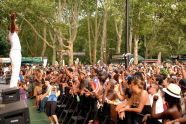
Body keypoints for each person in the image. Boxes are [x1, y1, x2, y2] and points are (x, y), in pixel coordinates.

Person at [8, 13, 22, 88]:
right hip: (15, 53)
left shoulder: (15, 35)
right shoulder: (11, 33)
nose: (17, 26)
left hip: (17, 53)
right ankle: (12, 87)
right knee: (15, 70)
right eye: (15, 25)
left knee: (17, 70)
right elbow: (12, 27)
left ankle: (14, 86)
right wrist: (12, 20)